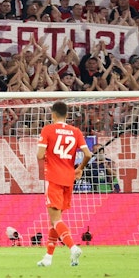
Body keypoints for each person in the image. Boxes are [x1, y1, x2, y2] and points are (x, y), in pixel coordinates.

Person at [36, 101, 93, 267]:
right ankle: (48, 258)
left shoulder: (48, 129)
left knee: (55, 220)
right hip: (69, 179)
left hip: (53, 177)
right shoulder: (75, 131)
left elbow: (40, 155)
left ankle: (73, 247)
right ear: (66, 115)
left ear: (53, 114)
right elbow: (88, 154)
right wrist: (80, 168)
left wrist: (47, 153)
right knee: (55, 219)